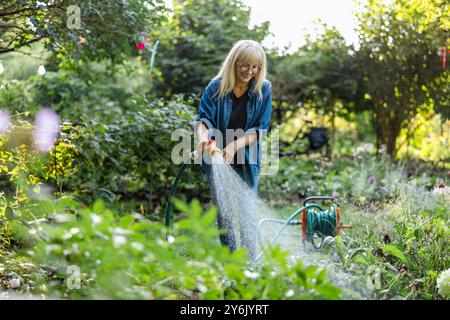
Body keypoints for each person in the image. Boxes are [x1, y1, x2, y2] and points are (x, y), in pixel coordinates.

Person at [193, 39, 272, 258]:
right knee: (225, 214)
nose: (250, 71)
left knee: (247, 213)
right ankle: (232, 264)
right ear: (234, 62)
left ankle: (250, 264)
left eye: (255, 66)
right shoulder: (215, 87)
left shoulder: (263, 88)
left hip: (247, 157)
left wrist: (235, 145)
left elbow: (261, 129)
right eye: (245, 65)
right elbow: (203, 120)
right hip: (217, 156)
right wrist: (203, 139)